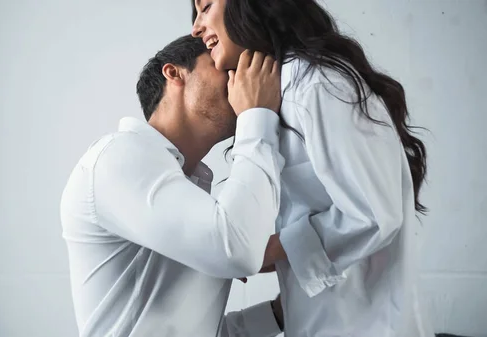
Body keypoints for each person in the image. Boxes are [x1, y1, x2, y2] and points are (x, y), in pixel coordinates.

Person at [191, 1, 434, 336]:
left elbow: (374, 213)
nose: (196, 27)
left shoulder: (318, 84)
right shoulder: (284, 91)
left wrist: (272, 250)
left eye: (205, 7)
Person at [60, 35, 285, 337]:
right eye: (224, 66)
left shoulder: (188, 188)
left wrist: (276, 315)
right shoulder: (117, 156)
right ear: (174, 73)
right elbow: (236, 249)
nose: (241, 79)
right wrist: (256, 117)